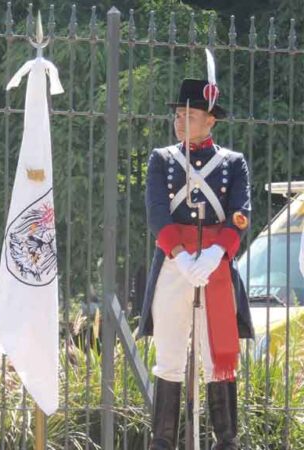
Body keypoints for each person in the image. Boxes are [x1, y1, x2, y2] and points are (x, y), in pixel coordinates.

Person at [137, 74, 252, 450]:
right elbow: (156, 214)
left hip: (215, 265)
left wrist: (218, 252)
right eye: (178, 114)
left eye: (190, 114)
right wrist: (181, 256)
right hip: (175, 264)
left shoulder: (233, 163)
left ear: (210, 120)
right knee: (168, 355)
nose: (180, 120)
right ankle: (162, 441)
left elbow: (241, 215)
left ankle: (226, 441)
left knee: (217, 357)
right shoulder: (161, 159)